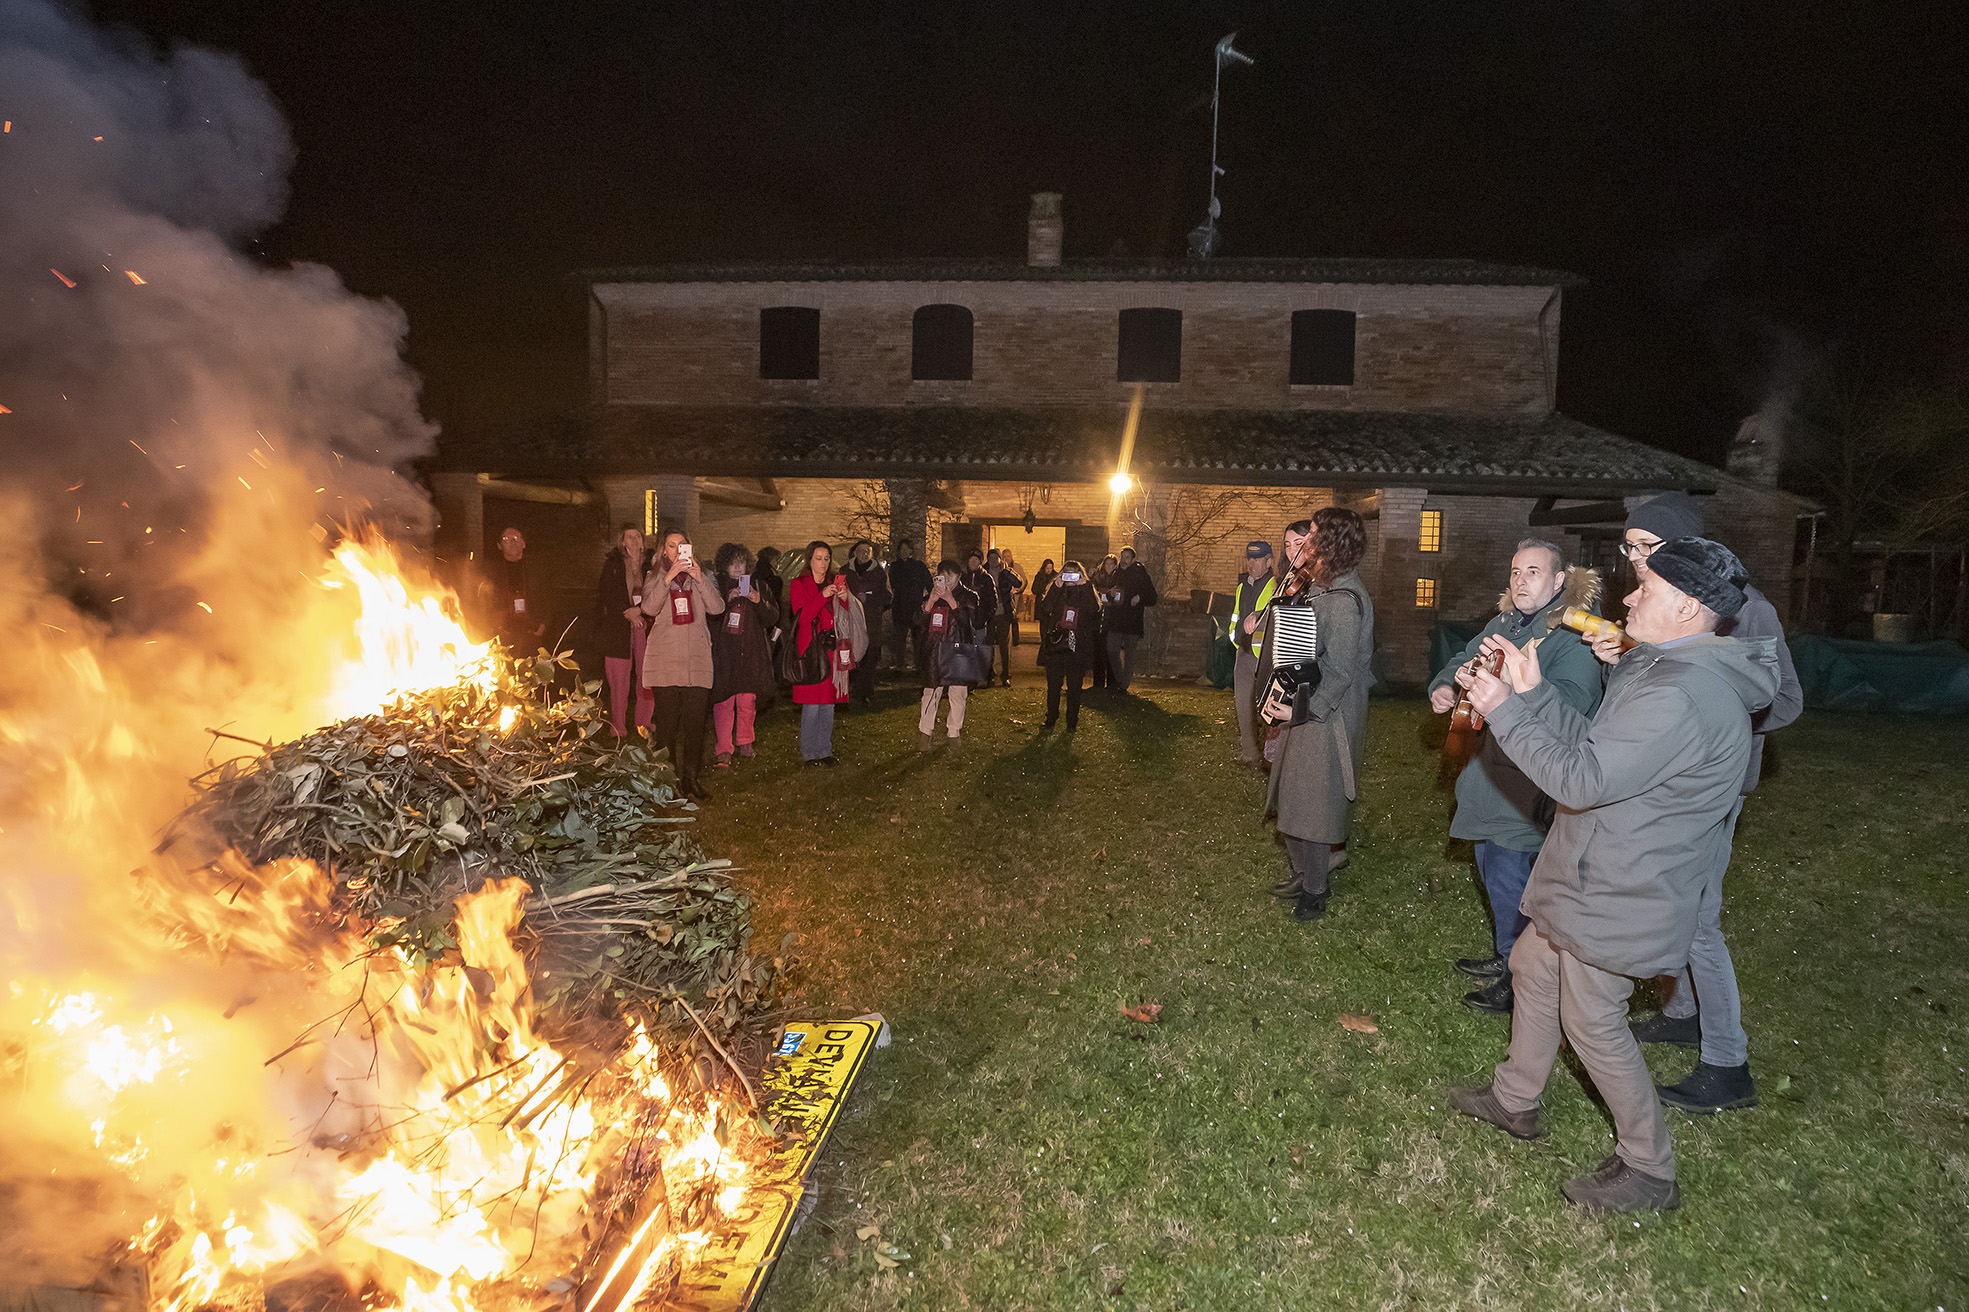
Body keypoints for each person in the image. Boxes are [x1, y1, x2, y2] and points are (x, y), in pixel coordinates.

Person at [1448, 537, 1780, 1212]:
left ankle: (1647, 1168)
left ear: (1687, 606)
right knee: (1534, 966)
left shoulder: (1681, 692)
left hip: (1624, 882)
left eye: (1645, 589)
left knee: (1592, 1019)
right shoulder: (1664, 671)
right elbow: (1600, 752)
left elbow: (1579, 777)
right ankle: (1516, 1097)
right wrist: (1533, 694)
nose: (1626, 598)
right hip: (1595, 866)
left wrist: (1504, 708)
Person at [1608, 494, 1804, 1114]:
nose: (1634, 560)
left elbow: (1786, 700)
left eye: (1645, 547)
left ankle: (1728, 1062)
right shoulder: (1661, 604)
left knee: (1698, 921)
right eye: (1630, 546)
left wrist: (1717, 723)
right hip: (1668, 781)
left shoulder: (1748, 608)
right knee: (1677, 905)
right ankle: (1682, 1013)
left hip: (1712, 789)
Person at [1427, 539, 1606, 1015]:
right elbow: (1464, 658)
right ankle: (1508, 956)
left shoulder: (1572, 637)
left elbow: (1572, 701)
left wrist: (1510, 691)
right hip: (1488, 769)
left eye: (1533, 572)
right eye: (1515, 571)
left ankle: (1520, 979)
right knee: (1491, 868)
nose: (1521, 581)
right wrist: (1447, 684)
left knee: (1511, 875)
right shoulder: (1503, 623)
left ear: (1559, 581)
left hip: (1528, 777)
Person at [1260, 510, 1374, 922]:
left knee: (1313, 803)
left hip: (1330, 717)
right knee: (1291, 793)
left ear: (1331, 542)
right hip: (1309, 706)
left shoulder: (1345, 601)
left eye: (1312, 534)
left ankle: (1315, 890)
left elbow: (1342, 672)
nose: (1305, 541)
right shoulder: (1324, 588)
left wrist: (1304, 710)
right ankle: (1306, 871)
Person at [638, 530, 724, 802]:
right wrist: (668, 579)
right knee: (667, 725)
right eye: (671, 546)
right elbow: (649, 609)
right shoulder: (654, 576)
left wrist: (699, 580)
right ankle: (669, 779)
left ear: (691, 548)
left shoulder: (703, 576)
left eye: (682, 545)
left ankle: (691, 777)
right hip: (666, 661)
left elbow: (718, 608)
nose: (677, 550)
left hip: (696, 661)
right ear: (663, 550)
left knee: (695, 724)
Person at [708, 542, 778, 767]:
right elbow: (710, 619)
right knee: (724, 700)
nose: (738, 567)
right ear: (724, 566)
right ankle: (724, 748)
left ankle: (746, 742)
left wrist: (758, 601)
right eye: (733, 563)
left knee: (747, 700)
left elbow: (772, 617)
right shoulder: (716, 587)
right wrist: (725, 601)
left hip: (750, 652)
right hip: (725, 653)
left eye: (742, 562)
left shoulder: (758, 585)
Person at [788, 541, 850, 766]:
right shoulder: (798, 584)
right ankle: (809, 752)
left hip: (831, 650)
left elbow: (845, 617)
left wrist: (844, 600)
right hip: (811, 652)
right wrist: (823, 595)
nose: (823, 563)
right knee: (812, 704)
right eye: (818, 558)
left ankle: (824, 750)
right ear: (809, 559)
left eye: (826, 558)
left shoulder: (836, 582)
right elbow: (802, 617)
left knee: (828, 703)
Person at [915, 558, 982, 747]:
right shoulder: (932, 595)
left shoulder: (969, 596)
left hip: (958, 652)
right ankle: (925, 733)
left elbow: (971, 625)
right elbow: (918, 621)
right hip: (935, 651)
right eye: (942, 576)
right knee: (930, 693)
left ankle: (954, 733)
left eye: (950, 577)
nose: (946, 581)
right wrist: (930, 602)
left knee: (958, 694)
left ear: (959, 577)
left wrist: (951, 601)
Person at [596, 524, 655, 739]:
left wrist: (640, 611)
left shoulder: (651, 564)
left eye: (637, 536)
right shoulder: (612, 564)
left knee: (646, 675)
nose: (634, 540)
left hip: (645, 625)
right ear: (622, 541)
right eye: (629, 537)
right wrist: (626, 612)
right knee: (619, 679)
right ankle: (618, 725)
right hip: (618, 627)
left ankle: (644, 721)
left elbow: (657, 591)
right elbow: (606, 592)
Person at [1036, 559, 1101, 731]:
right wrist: (1057, 586)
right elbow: (1045, 608)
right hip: (1057, 644)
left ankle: (1072, 721)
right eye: (1067, 573)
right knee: (1054, 685)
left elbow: (1094, 609)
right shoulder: (1058, 589)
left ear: (1081, 575)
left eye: (1074, 574)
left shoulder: (1085, 590)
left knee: (1074, 686)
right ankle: (1051, 718)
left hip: (1077, 645)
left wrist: (1085, 585)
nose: (1070, 578)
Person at [1230, 541, 1275, 765]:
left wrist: (1259, 614)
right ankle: (1250, 752)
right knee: (1243, 704)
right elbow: (1237, 615)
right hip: (1245, 652)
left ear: (1269, 562)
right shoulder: (1242, 586)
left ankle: (1270, 755)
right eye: (1249, 559)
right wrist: (1235, 639)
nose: (1252, 563)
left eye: (1257, 559)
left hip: (1266, 655)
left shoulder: (1277, 585)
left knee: (1268, 707)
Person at [1103, 545, 1159, 692]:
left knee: (1130, 655)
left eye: (1127, 558)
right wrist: (1110, 593)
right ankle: (1121, 679)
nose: (1124, 560)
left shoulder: (1140, 574)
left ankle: (1124, 685)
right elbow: (1108, 593)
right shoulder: (1116, 573)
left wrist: (1140, 597)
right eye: (1122, 557)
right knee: (1111, 649)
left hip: (1132, 620)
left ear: (1133, 559)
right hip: (1116, 620)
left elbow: (1153, 597)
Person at [842, 538, 891, 704]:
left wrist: (868, 598)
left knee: (870, 654)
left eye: (867, 552)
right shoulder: (845, 571)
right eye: (861, 551)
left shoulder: (878, 572)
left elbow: (887, 595)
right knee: (850, 654)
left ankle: (866, 690)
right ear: (855, 552)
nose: (863, 554)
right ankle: (849, 690)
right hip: (850, 619)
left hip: (871, 620)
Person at [493, 526, 546, 652]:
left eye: (516, 538)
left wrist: (543, 623)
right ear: (499, 545)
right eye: (506, 539)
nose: (512, 542)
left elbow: (547, 598)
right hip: (504, 633)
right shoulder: (493, 573)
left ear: (523, 544)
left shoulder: (536, 570)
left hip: (531, 631)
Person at [889, 537, 933, 675]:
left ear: (911, 551)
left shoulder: (919, 566)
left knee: (917, 638)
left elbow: (929, 584)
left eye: (906, 549)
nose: (904, 551)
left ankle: (918, 664)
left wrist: (927, 599)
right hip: (900, 606)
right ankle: (899, 664)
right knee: (899, 638)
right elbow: (893, 585)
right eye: (901, 549)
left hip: (915, 606)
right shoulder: (895, 567)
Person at [958, 549, 998, 688]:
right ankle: (969, 678)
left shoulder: (986, 578)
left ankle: (984, 676)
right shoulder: (962, 578)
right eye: (971, 560)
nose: (972, 563)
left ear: (980, 562)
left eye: (975, 560)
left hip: (980, 621)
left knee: (980, 648)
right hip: (965, 621)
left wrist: (985, 617)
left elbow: (993, 601)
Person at [1088, 555, 1119, 689]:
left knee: (1111, 652)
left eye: (1111, 564)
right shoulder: (1097, 578)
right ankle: (1098, 683)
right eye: (1107, 564)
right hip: (1098, 620)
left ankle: (1112, 683)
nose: (1109, 566)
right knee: (1098, 652)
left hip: (1112, 621)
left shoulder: (1118, 578)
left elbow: (1118, 596)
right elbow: (1093, 594)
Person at [1000, 547, 1028, 649]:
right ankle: (1004, 640)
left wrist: (1019, 590)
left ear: (1011, 557)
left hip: (1015, 597)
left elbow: (1024, 580)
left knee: (1014, 619)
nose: (1006, 558)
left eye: (1008, 556)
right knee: (1005, 619)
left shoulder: (1017, 567)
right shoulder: (1000, 568)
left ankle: (1016, 640)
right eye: (1004, 556)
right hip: (1004, 598)